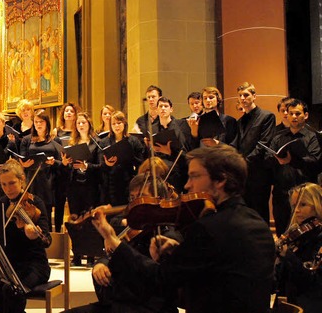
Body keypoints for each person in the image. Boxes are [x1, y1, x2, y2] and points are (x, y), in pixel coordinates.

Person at [92, 144, 275, 313]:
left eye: (194, 176)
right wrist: (180, 252)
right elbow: (221, 269)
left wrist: (114, 240)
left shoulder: (209, 228)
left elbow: (160, 280)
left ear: (220, 180)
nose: (187, 185)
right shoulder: (258, 222)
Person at [65, 174, 181, 313]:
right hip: (121, 304)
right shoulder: (132, 230)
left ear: (160, 200)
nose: (135, 203)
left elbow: (155, 280)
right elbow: (109, 255)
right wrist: (101, 264)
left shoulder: (168, 236)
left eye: (141, 196)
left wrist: (113, 240)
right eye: (132, 198)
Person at [0, 159, 51, 313]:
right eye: (4, 184)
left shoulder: (36, 203)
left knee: (11, 289)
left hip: (34, 264)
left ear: (22, 181)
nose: (8, 189)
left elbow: (47, 239)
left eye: (12, 183)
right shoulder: (1, 204)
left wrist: (33, 235)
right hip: (8, 263)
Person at [267, 99, 321, 236]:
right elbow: (267, 160)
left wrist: (293, 160)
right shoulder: (278, 137)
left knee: (306, 233)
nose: (294, 117)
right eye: (291, 113)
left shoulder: (313, 137)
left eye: (297, 113)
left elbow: (315, 162)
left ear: (306, 115)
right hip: (282, 192)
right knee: (281, 231)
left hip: (305, 194)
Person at [61, 112, 102, 266]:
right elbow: (66, 168)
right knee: (75, 218)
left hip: (90, 186)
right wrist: (65, 163)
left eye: (83, 122)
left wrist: (87, 166)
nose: (81, 125)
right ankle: (77, 254)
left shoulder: (96, 143)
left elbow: (100, 166)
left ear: (89, 124)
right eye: (78, 123)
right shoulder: (72, 142)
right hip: (74, 186)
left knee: (89, 219)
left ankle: (91, 254)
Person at [232, 82, 276, 226]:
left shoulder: (267, 116)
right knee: (246, 211)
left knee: (260, 211)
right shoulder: (239, 121)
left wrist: (243, 162)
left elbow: (263, 144)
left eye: (246, 95)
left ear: (254, 96)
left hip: (259, 173)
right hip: (244, 174)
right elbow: (237, 145)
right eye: (240, 96)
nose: (243, 98)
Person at [276, 182, 322, 312]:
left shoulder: (318, 237)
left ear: (317, 205)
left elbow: (312, 281)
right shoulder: (297, 234)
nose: (296, 210)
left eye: (303, 204)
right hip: (293, 299)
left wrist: (288, 255)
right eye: (294, 205)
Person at [18, 109, 62, 231]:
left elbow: (61, 161)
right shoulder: (27, 139)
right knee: (30, 213)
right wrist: (24, 164)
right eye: (36, 122)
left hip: (48, 180)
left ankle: (47, 239)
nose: (38, 124)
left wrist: (54, 162)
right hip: (32, 179)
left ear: (47, 123)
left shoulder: (55, 140)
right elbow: (22, 159)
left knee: (45, 213)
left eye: (41, 121)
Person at [101, 111, 146, 206]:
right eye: (113, 124)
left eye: (119, 123)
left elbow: (141, 162)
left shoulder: (133, 141)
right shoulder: (104, 142)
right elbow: (100, 165)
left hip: (128, 180)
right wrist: (107, 164)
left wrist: (130, 157)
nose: (116, 126)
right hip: (111, 183)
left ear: (124, 124)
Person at [52, 102, 80, 233]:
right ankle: (58, 234)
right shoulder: (57, 131)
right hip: (61, 171)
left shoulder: (78, 130)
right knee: (59, 205)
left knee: (75, 206)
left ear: (75, 115)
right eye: (66, 111)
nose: (68, 113)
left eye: (71, 111)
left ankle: (76, 234)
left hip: (75, 171)